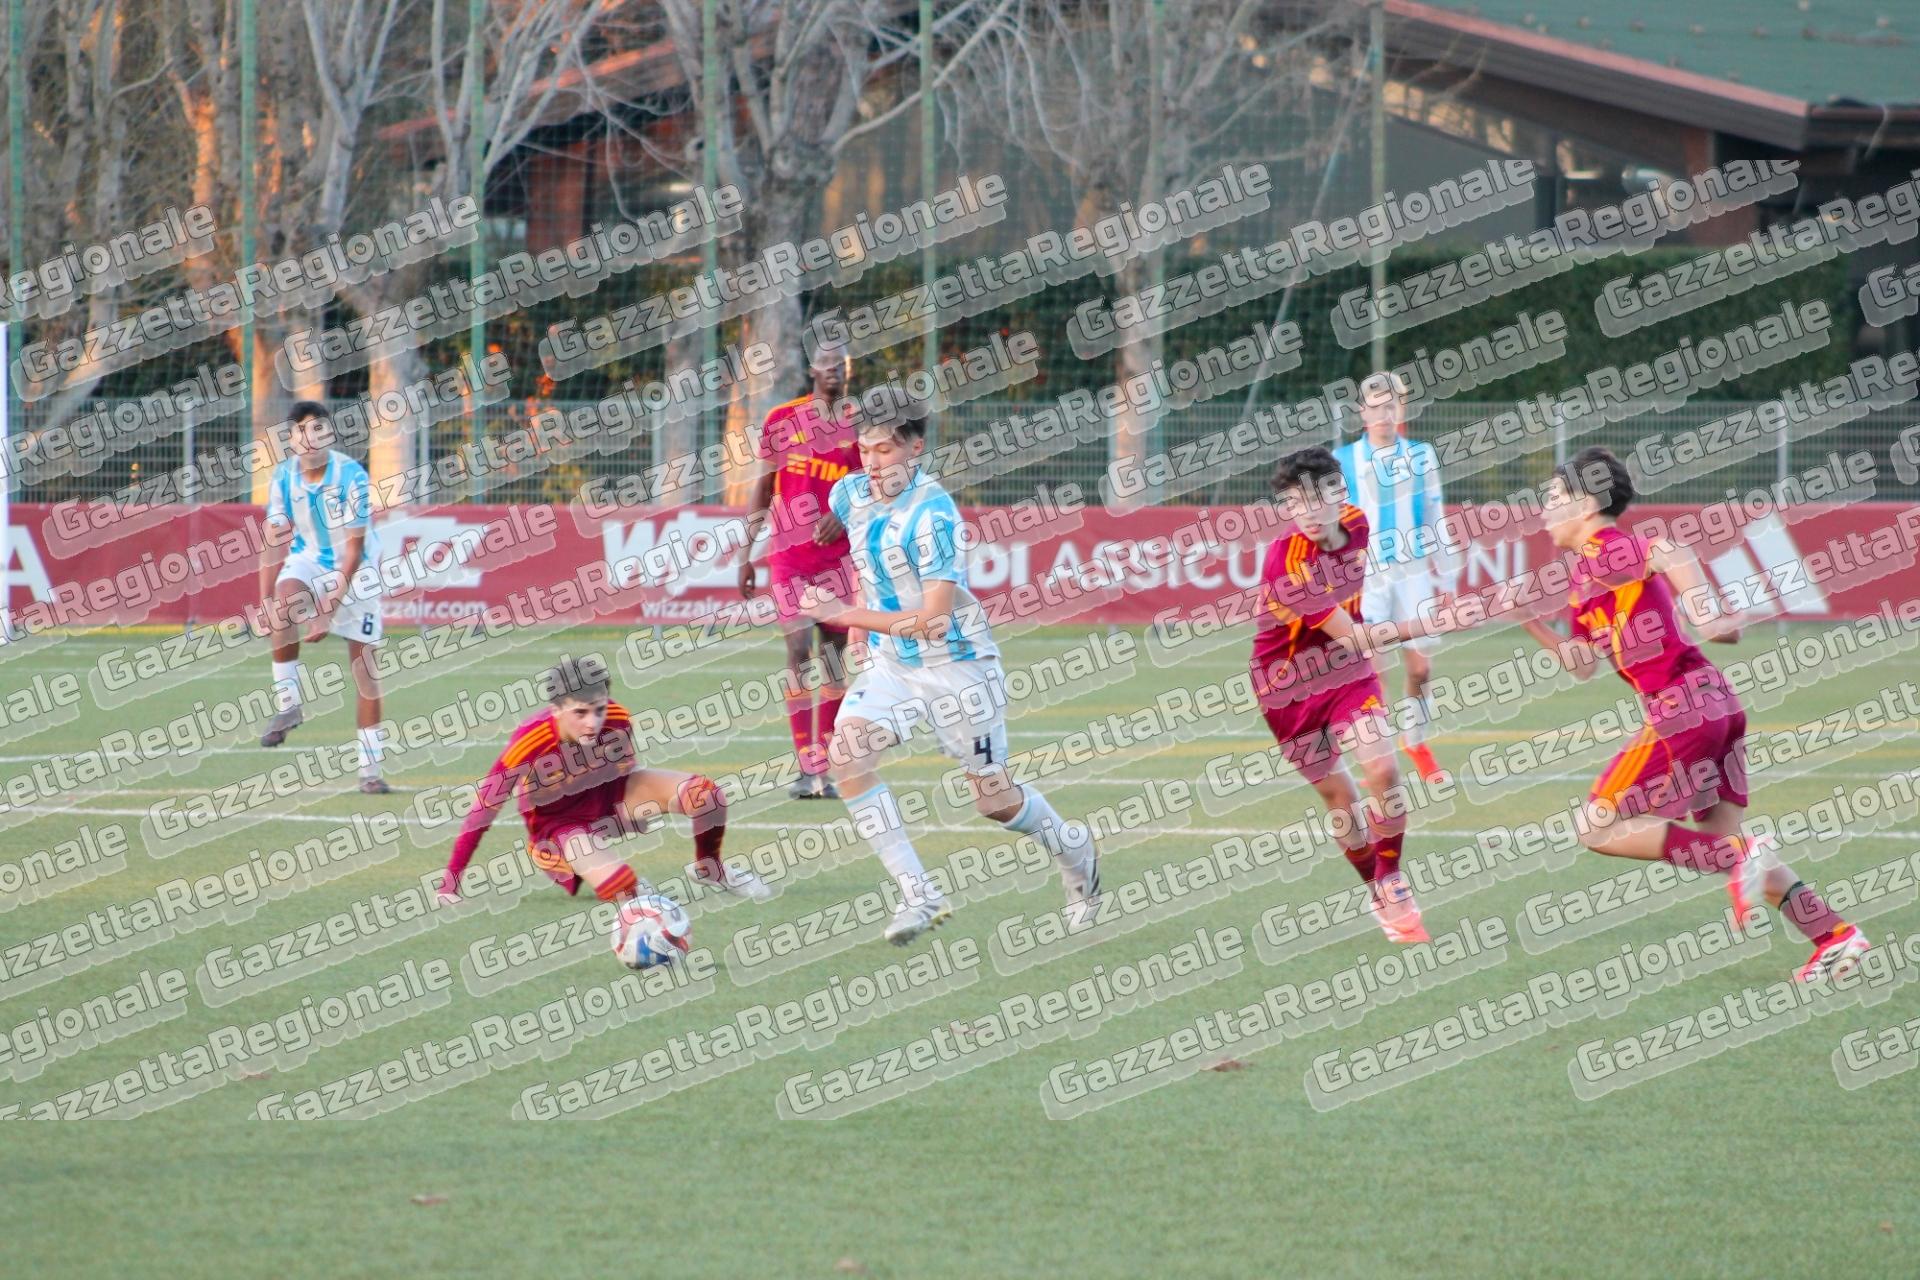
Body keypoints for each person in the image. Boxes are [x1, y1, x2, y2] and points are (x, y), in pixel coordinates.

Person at [1375, 446, 1868, 982]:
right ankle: (1834, 935)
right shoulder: (1585, 576)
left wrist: (1702, 607)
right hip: (1716, 703)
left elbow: (1668, 550)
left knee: (1598, 827)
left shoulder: (1605, 551)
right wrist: (1529, 620)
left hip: (1683, 706)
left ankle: (1744, 860)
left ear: (1586, 505)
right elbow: (1582, 664)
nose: (1544, 509)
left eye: (1554, 497)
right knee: (1720, 839)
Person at [797, 408, 1100, 944]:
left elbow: (934, 622)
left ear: (915, 447)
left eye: (885, 450)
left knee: (993, 801)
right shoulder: (849, 494)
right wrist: (861, 633)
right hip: (893, 664)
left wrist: (844, 616)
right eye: (865, 450)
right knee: (846, 757)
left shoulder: (935, 517)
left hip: (958, 667)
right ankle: (919, 894)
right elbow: (866, 565)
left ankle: (1075, 850)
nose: (872, 463)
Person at [1253, 446, 1429, 944]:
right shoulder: (1287, 563)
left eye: (1316, 500)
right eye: (1293, 503)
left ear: (1340, 495)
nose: (1306, 513)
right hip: (1285, 688)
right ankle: (1376, 888)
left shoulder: (1358, 523)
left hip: (1346, 672)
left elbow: (1351, 636)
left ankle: (1391, 879)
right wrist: (1430, 622)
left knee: (1383, 770)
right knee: (1341, 800)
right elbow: (1352, 635)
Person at [437, 655, 771, 906]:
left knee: (706, 796)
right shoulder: (527, 744)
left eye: (598, 709)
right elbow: (483, 811)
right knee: (624, 886)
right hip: (559, 827)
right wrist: (450, 883)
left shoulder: (618, 719)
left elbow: (624, 771)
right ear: (556, 710)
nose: (592, 722)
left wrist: (628, 817)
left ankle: (709, 868)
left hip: (608, 799)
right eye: (579, 713)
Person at [737, 344, 860, 799]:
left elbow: (873, 489)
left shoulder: (860, 424)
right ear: (812, 368)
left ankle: (824, 768)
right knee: (797, 648)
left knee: (833, 659)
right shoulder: (782, 419)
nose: (835, 371)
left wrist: (843, 514)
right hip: (789, 558)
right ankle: (807, 766)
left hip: (838, 560)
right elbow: (764, 486)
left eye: (842, 364)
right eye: (827, 363)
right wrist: (745, 553)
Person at [256, 400, 390, 793]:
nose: (310, 439)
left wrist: (327, 611)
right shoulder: (283, 477)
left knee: (365, 674)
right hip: (310, 560)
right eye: (301, 432)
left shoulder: (351, 476)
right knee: (283, 604)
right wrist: (264, 602)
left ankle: (370, 772)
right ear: (290, 439)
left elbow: (354, 552)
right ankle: (289, 707)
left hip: (359, 572)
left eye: (318, 430)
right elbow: (273, 541)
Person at [1333, 371, 1460, 784]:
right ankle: (1379, 759)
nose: (1384, 415)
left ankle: (1415, 742)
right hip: (1366, 578)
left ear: (1400, 410)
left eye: (1391, 406)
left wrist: (1448, 582)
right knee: (1373, 670)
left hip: (1414, 574)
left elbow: (1435, 517)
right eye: (1376, 407)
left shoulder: (1421, 456)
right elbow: (1334, 524)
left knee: (1421, 669)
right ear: (1362, 412)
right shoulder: (1343, 460)